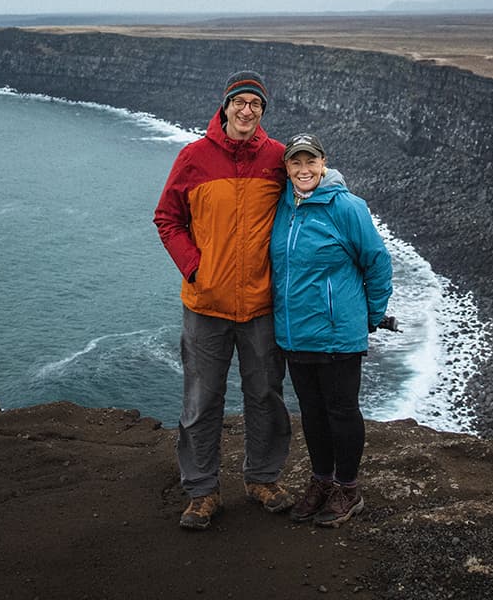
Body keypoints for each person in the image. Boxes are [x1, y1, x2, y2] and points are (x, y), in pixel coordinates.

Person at [154, 70, 295, 531]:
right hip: (205, 305)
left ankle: (262, 479)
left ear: (262, 111)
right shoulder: (194, 157)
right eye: (240, 102)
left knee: (266, 395)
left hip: (261, 306)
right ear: (225, 106)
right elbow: (167, 218)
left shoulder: (278, 159)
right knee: (201, 400)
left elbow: (309, 202)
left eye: (256, 104)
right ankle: (201, 491)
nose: (247, 111)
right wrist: (196, 268)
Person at [269, 131, 393, 527]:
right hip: (295, 333)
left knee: (341, 411)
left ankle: (348, 488)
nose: (303, 169)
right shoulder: (283, 207)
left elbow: (377, 262)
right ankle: (321, 481)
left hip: (338, 334)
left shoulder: (346, 207)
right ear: (287, 168)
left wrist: (370, 317)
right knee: (312, 412)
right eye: (295, 163)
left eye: (310, 162)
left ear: (324, 164)